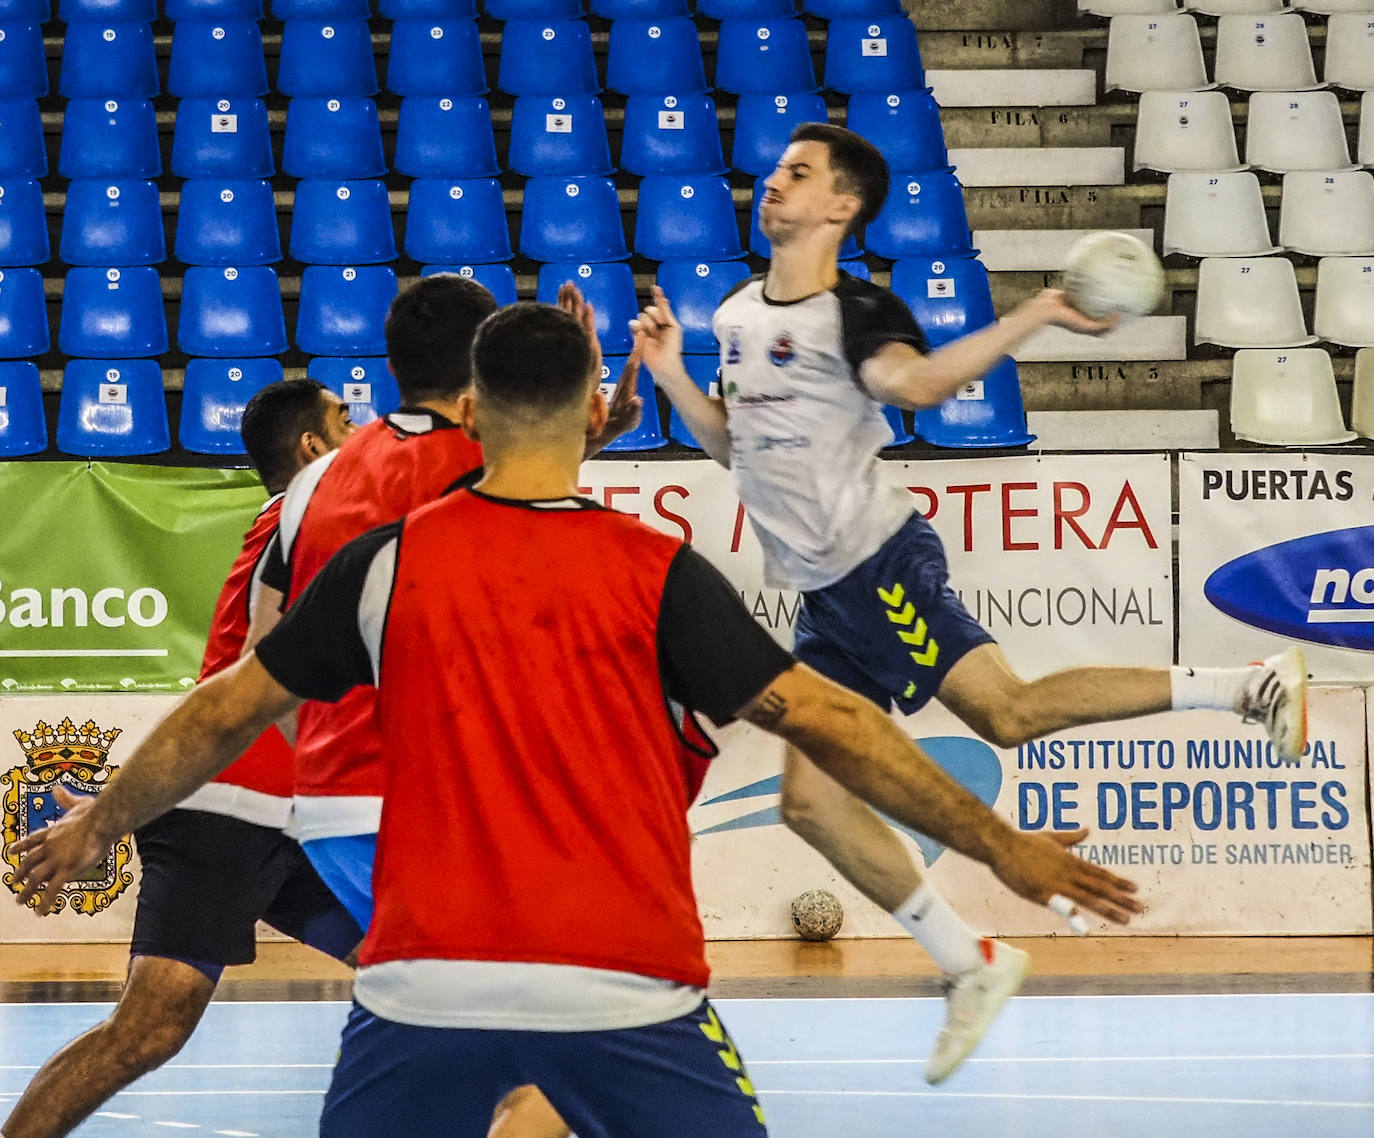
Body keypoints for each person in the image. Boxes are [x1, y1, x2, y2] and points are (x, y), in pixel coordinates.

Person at [9, 301, 1143, 1137]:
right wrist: (1001, 844)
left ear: (471, 407)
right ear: (587, 405)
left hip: (419, 978)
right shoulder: (654, 574)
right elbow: (836, 722)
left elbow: (220, 712)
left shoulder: (383, 563)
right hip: (617, 983)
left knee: (173, 1028)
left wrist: (100, 820)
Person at [633, 121, 1308, 1084]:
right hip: (825, 599)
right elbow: (735, 451)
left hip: (878, 568)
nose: (773, 183)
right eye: (777, 169)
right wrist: (667, 377)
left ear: (843, 206)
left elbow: (920, 386)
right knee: (809, 805)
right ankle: (971, 962)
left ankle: (1246, 685)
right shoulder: (738, 315)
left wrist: (1032, 315)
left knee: (1008, 715)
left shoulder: (856, 312)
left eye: (799, 173)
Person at [247, 274, 638, 1138]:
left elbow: (262, 656)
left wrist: (323, 749)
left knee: (452, 1040)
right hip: (459, 804)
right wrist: (580, 382)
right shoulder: (487, 461)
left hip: (335, 806)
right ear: (481, 376)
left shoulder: (314, 483)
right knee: (559, 1047)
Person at [0, 380, 361, 1138]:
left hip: (303, 811)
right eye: (343, 418)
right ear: (313, 449)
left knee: (420, 974)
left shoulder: (321, 520)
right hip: (223, 808)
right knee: (150, 1031)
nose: (359, 428)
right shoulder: (313, 518)